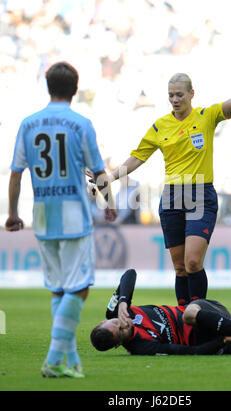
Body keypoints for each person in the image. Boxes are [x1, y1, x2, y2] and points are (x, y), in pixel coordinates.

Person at [94, 56, 231, 306]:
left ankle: (199, 313)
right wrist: (111, 177)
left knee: (193, 261)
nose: (175, 100)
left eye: (180, 94)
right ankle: (184, 317)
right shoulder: (160, 126)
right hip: (171, 197)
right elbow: (138, 157)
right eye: (171, 95)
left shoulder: (206, 116)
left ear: (192, 93)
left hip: (200, 193)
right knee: (180, 267)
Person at [5, 62, 117, 378]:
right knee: (79, 289)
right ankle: (54, 358)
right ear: (76, 89)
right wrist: (109, 203)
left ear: (47, 86)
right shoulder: (81, 123)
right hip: (73, 215)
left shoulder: (28, 124)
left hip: (42, 214)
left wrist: (13, 213)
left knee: (58, 289)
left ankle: (69, 361)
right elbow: (98, 172)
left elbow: (16, 173)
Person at [90, 269, 231, 356]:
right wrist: (223, 341)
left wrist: (123, 302)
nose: (123, 323)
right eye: (121, 330)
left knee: (188, 314)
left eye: (117, 323)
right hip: (207, 337)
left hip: (204, 310)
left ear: (104, 320)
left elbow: (130, 274)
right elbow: (190, 352)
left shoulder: (115, 311)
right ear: (119, 344)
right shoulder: (141, 347)